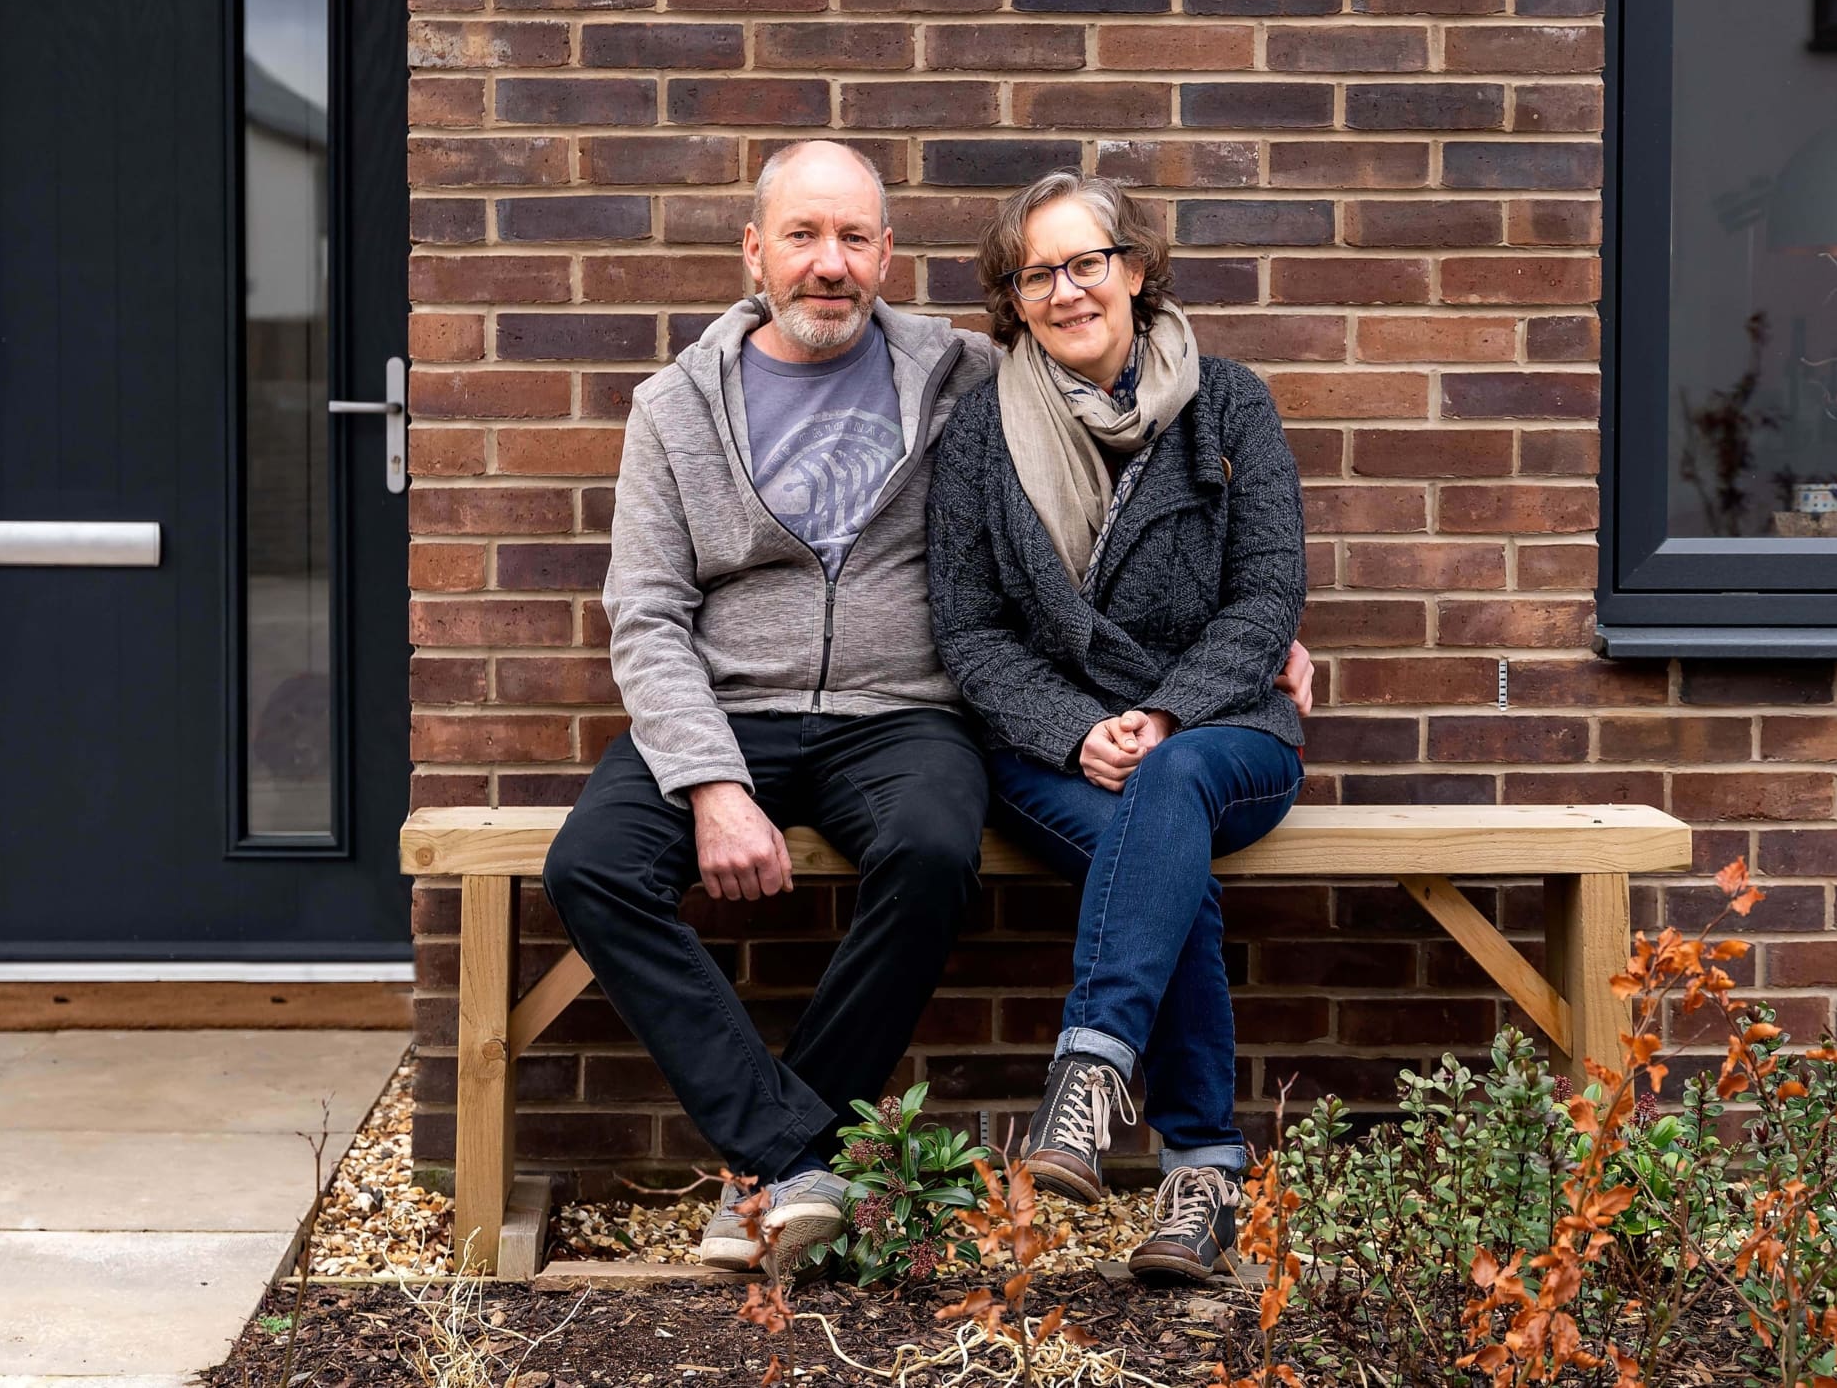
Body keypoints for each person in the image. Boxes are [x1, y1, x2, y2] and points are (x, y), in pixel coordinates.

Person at [544, 141, 1312, 1274]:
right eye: (801, 236)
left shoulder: (963, 374)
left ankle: (1129, 1128)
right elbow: (649, 615)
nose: (828, 265)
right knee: (587, 865)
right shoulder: (679, 409)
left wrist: (1238, 661)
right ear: (753, 250)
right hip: (743, 712)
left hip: (900, 718)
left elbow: (1239, 562)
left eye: (853, 238)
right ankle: (787, 1156)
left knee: (942, 842)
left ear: (888, 255)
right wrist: (710, 780)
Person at [927, 170, 1309, 1285]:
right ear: (1013, 298)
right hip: (1053, 751)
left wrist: (1161, 710)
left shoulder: (1230, 404)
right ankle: (1202, 1176)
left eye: (1085, 262)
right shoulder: (981, 434)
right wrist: (1072, 729)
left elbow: (1266, 595)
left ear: (1134, 271)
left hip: (1226, 731)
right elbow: (970, 627)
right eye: (1035, 273)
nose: (1064, 290)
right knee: (1159, 853)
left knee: (1172, 786)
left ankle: (1087, 1080)